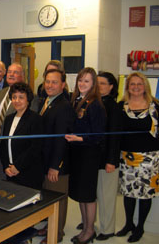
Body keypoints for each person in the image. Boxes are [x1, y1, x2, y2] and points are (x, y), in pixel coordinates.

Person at [116, 72, 159, 243]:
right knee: (129, 193)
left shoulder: (155, 106)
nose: (135, 87)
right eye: (132, 84)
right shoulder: (121, 106)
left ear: (145, 86)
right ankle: (128, 224)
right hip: (127, 157)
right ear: (128, 87)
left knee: (145, 194)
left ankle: (140, 227)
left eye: (139, 84)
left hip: (150, 157)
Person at [65, 67, 106, 244]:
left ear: (93, 84)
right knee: (81, 194)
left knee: (88, 195)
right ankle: (85, 227)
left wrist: (79, 138)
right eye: (80, 80)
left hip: (88, 155)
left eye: (87, 81)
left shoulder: (95, 104)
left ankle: (89, 231)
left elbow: (98, 135)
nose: (82, 84)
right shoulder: (77, 100)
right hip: (77, 154)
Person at [35, 69, 75, 243]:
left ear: (63, 85)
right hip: (45, 160)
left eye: (54, 82)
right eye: (48, 81)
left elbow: (61, 140)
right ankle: (49, 227)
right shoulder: (47, 101)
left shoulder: (64, 106)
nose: (50, 85)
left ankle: (56, 233)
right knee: (49, 198)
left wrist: (55, 166)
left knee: (58, 199)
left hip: (56, 164)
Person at [0, 82, 43, 190]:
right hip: (10, 172)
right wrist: (6, 166)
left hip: (28, 172)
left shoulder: (35, 119)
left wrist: (18, 167)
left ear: (28, 99)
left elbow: (35, 148)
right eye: (14, 97)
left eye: (21, 97)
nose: (17, 101)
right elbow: (3, 145)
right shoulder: (9, 119)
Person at [95, 71, 121, 241]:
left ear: (111, 87)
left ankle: (108, 228)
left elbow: (115, 136)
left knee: (107, 196)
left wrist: (111, 161)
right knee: (97, 193)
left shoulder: (114, 106)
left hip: (107, 160)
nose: (99, 86)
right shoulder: (96, 102)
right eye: (97, 83)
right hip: (95, 158)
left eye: (103, 83)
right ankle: (95, 222)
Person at [0, 62, 24, 180]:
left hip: (14, 147)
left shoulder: (27, 96)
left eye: (15, 72)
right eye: (9, 72)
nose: (11, 75)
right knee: (0, 178)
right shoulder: (1, 93)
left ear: (22, 76)